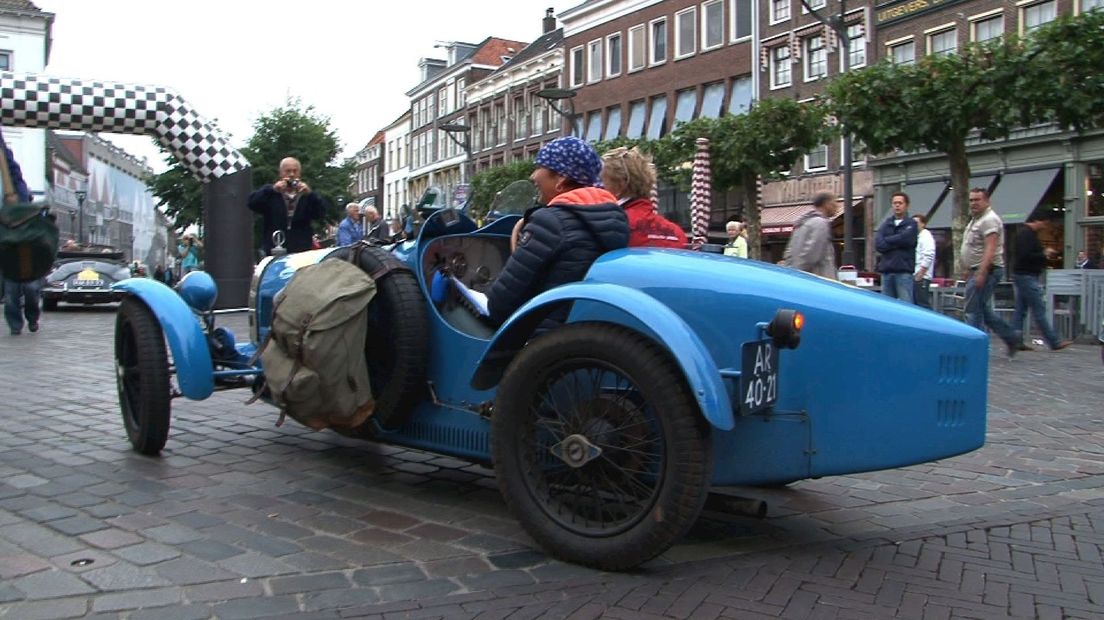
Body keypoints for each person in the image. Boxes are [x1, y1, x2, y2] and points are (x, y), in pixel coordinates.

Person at [487, 136, 628, 326]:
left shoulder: (550, 222)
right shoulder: (616, 219)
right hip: (584, 339)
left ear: (561, 178)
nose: (533, 176)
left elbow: (500, 303)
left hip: (538, 340)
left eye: (539, 167)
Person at [961, 188, 1021, 357]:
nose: (973, 203)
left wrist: (981, 271)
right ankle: (1011, 337)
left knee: (972, 309)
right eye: (971, 200)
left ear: (987, 201)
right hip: (977, 270)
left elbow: (990, 247)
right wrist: (967, 268)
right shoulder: (975, 220)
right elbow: (973, 247)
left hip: (987, 270)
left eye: (977, 200)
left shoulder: (989, 220)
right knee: (982, 310)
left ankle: (976, 349)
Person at [599, 146, 686, 249]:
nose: (599, 187)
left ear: (621, 185)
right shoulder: (676, 233)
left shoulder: (609, 227)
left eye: (602, 181)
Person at [1011, 215, 1072, 351]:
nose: (1045, 226)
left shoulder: (1025, 234)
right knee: (1038, 309)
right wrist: (1043, 254)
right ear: (1037, 221)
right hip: (1027, 275)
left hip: (1023, 274)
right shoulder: (1027, 235)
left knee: (1021, 310)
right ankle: (1053, 340)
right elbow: (1025, 256)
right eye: (1044, 223)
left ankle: (1015, 339)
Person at [2, 132, 40, 335]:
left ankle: (33, 317)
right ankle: (15, 325)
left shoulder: (18, 192)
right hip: (8, 246)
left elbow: (11, 167)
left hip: (26, 248)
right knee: (10, 292)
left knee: (31, 289)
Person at [247, 157, 327, 255]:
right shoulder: (271, 194)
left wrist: (310, 195)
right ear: (280, 173)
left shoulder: (307, 195)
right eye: (288, 171)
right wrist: (271, 189)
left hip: (301, 249)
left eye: (295, 171)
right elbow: (251, 203)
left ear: (299, 173)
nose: (291, 175)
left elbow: (320, 213)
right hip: (274, 248)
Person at [781, 192, 838, 279]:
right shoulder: (820, 223)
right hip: (818, 280)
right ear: (826, 204)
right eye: (834, 203)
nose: (837, 207)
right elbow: (812, 255)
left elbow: (789, 252)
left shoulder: (802, 223)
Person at [875, 192, 918, 302]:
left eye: (900, 203)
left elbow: (907, 239)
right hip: (887, 271)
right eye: (894, 203)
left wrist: (888, 240)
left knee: (906, 306)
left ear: (906, 205)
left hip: (903, 271)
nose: (897, 205)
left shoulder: (911, 224)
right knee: (887, 306)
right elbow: (879, 245)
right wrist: (898, 240)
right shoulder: (886, 224)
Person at [912, 214, 936, 309]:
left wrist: (921, 273)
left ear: (923, 224)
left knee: (922, 304)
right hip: (916, 275)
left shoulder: (926, 236)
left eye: (916, 223)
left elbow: (928, 254)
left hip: (921, 276)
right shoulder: (917, 237)